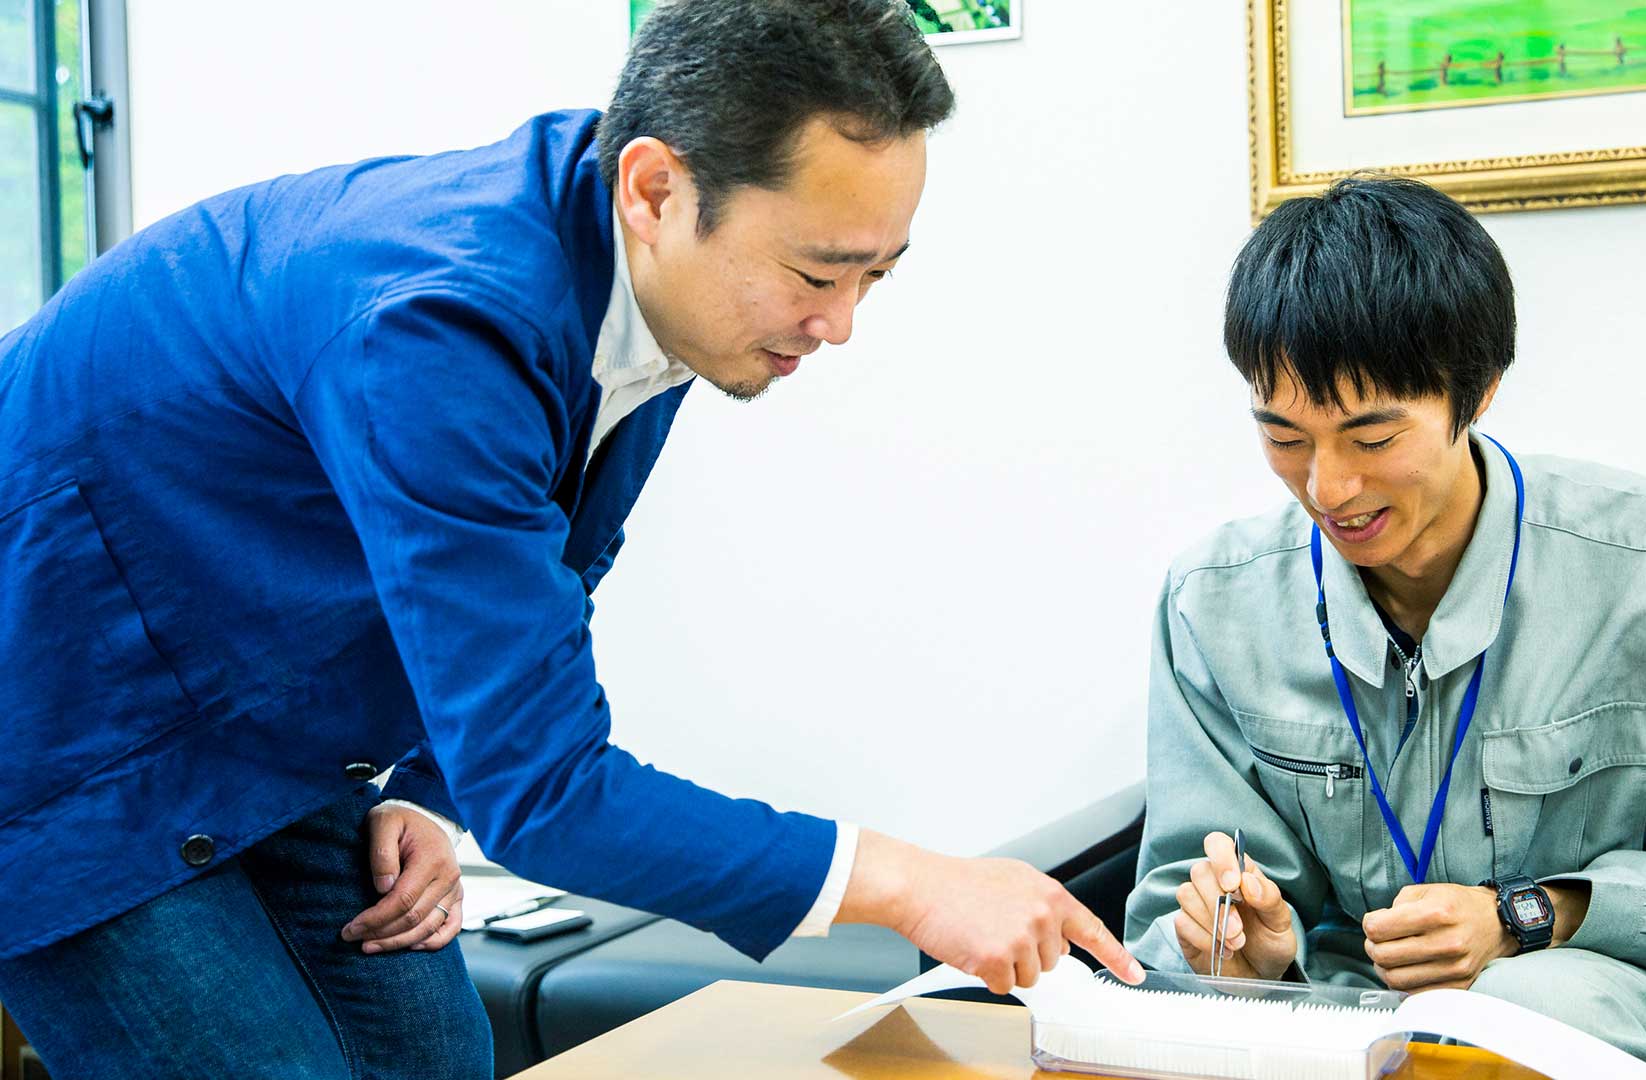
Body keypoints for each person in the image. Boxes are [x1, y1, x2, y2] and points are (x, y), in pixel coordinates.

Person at [0, 2, 1140, 1075]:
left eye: (874, 277)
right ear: (655, 188)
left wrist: (430, 791)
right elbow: (544, 790)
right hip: (61, 723)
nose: (838, 326)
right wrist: (911, 884)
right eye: (816, 273)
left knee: (436, 1055)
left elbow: (541, 571)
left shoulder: (647, 283)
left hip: (258, 710)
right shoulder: (443, 322)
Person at [1122, 175, 1646, 1069]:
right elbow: (1175, 917)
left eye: (1373, 438)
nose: (1329, 488)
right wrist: (1248, 951)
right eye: (1284, 437)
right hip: (1326, 1025)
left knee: (1512, 1010)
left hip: (1590, 1004)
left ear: (1479, 391)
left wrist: (1530, 915)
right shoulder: (1213, 602)